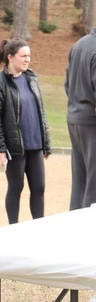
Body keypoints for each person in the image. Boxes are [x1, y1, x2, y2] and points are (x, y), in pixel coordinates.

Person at [0, 39, 51, 224]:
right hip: (14, 147)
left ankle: (39, 227)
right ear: (10, 57)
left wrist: (46, 143)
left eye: (29, 56)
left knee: (39, 188)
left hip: (35, 144)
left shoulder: (32, 79)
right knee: (16, 187)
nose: (27, 59)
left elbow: (41, 112)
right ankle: (13, 228)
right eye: (23, 56)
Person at [65, 26, 96, 210]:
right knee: (94, 181)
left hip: (75, 117)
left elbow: (68, 84)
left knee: (80, 179)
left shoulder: (78, 45)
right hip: (92, 121)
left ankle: (75, 221)